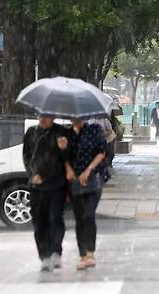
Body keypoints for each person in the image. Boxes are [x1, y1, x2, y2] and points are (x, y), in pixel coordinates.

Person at [23, 115, 70, 271]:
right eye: (41, 115)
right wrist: (32, 175)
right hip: (36, 185)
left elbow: (67, 159)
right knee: (39, 221)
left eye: (48, 116)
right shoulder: (31, 133)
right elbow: (26, 157)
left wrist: (64, 149)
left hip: (57, 184)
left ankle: (56, 251)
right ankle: (44, 255)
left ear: (54, 117)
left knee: (55, 218)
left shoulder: (61, 132)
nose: (44, 119)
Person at [65, 118, 107, 271]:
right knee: (79, 219)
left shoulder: (94, 129)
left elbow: (101, 152)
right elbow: (64, 156)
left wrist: (88, 170)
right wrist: (68, 168)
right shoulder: (67, 134)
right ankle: (83, 255)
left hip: (92, 180)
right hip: (75, 182)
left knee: (88, 215)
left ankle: (91, 253)